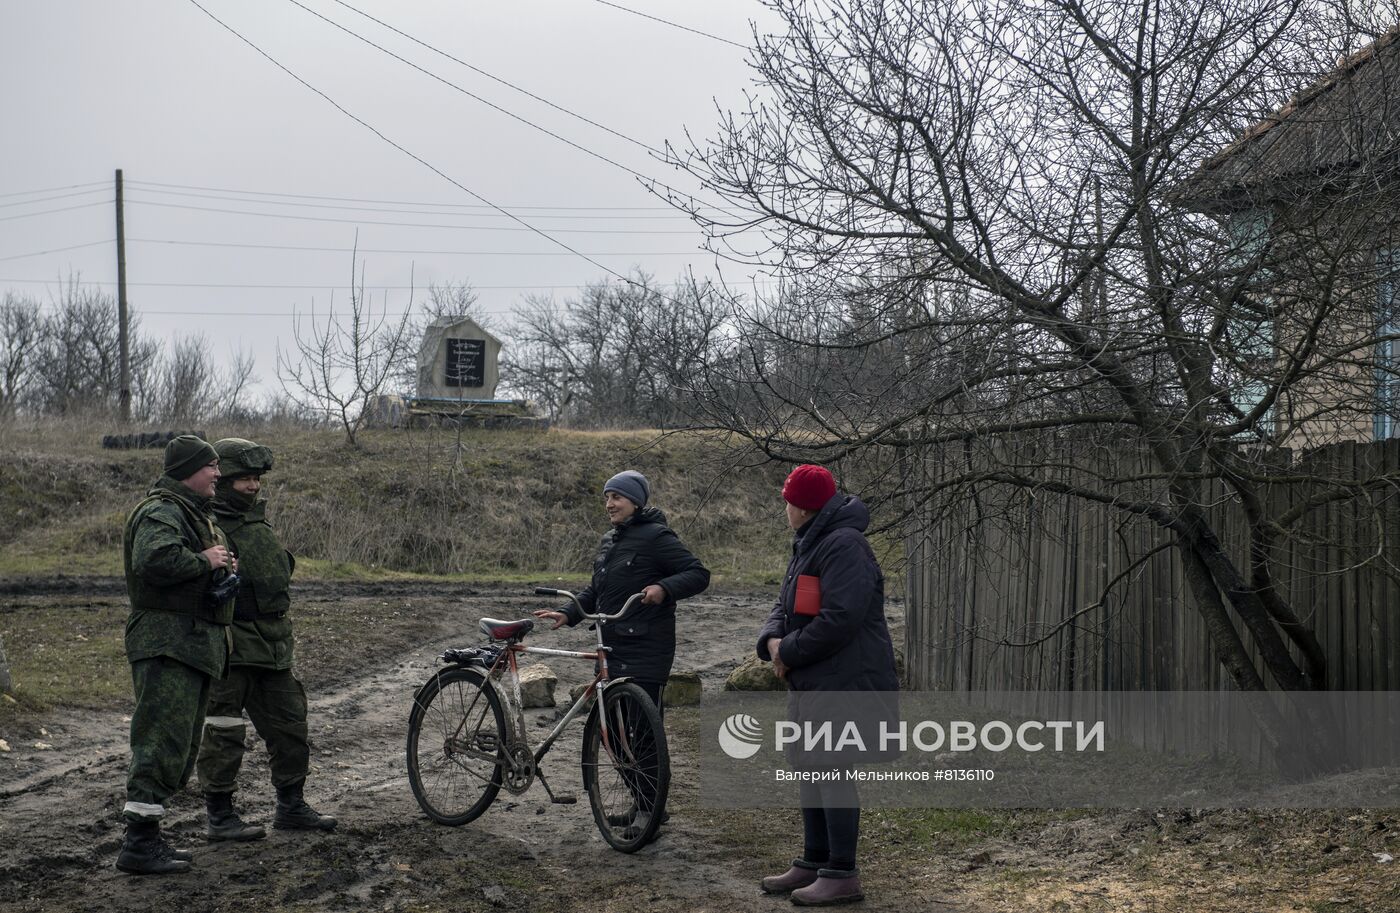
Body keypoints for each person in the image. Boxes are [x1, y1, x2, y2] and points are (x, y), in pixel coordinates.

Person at [533, 469, 710, 837]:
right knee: (612, 732)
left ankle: (650, 812)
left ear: (636, 502)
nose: (609, 504)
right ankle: (642, 801)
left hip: (648, 647)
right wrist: (568, 612)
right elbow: (596, 591)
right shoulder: (610, 541)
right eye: (607, 497)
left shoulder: (657, 537)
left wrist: (664, 587)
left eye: (617, 497)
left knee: (643, 734)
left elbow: (697, 573)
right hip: (611, 644)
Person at [756, 464, 899, 906]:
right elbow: (785, 603)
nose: (785, 508)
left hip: (845, 678)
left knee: (832, 767)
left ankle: (841, 873)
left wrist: (789, 652)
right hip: (815, 678)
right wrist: (774, 642)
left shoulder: (844, 545)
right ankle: (814, 861)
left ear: (800, 506)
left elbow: (841, 619)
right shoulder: (811, 542)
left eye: (787, 500)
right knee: (810, 764)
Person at [196, 438, 336, 840]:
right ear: (224, 481)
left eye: (256, 479)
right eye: (243, 479)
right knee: (224, 731)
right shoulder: (208, 525)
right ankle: (219, 816)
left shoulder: (257, 522)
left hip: (274, 644)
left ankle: (291, 806)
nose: (253, 486)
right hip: (233, 647)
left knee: (291, 726)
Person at [117, 434, 237, 875]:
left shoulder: (191, 513)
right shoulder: (162, 511)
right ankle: (139, 845)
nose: (218, 474)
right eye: (211, 467)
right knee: (159, 742)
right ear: (189, 469)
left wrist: (220, 565)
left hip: (188, 646)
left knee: (178, 746)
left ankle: (148, 840)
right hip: (167, 645)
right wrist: (205, 561)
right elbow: (155, 560)